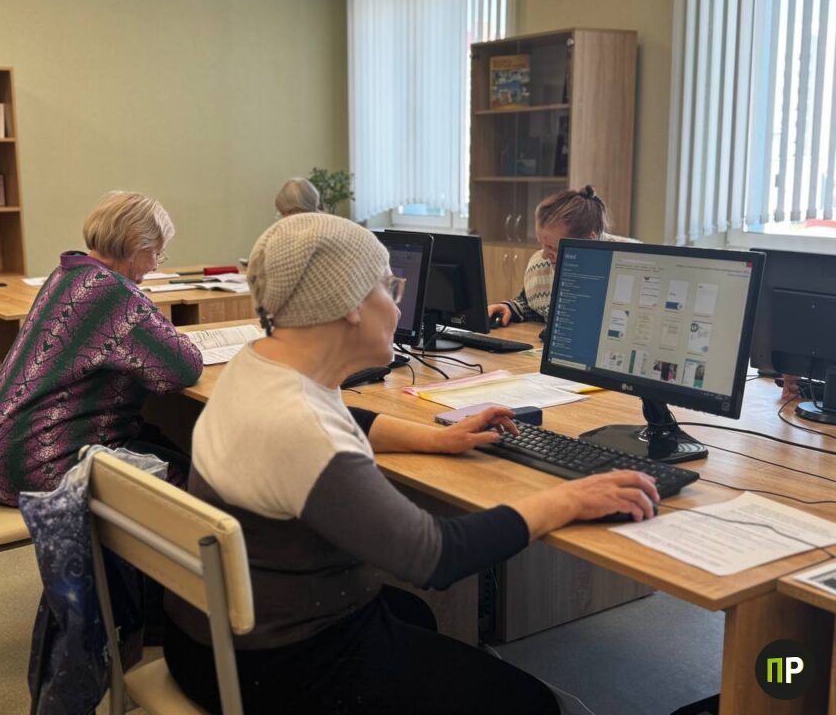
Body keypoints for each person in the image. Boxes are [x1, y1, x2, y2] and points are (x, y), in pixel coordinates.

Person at [163, 213, 659, 714]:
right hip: (272, 668)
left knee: (412, 614)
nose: (397, 304)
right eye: (389, 287)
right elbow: (434, 555)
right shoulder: (301, 428)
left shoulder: (260, 365)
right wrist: (568, 498)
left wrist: (439, 438)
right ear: (351, 304)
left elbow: (345, 419)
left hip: (210, 637)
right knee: (531, 703)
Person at [0, 190, 203, 507]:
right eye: (156, 254)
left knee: (161, 444)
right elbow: (184, 367)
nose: (154, 266)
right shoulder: (113, 293)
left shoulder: (69, 274)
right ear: (135, 246)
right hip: (34, 464)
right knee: (194, 487)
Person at [488, 185, 634, 327]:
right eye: (542, 245)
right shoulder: (540, 265)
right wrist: (511, 308)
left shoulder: (632, 260)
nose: (544, 255)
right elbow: (533, 305)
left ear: (589, 241)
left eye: (553, 248)